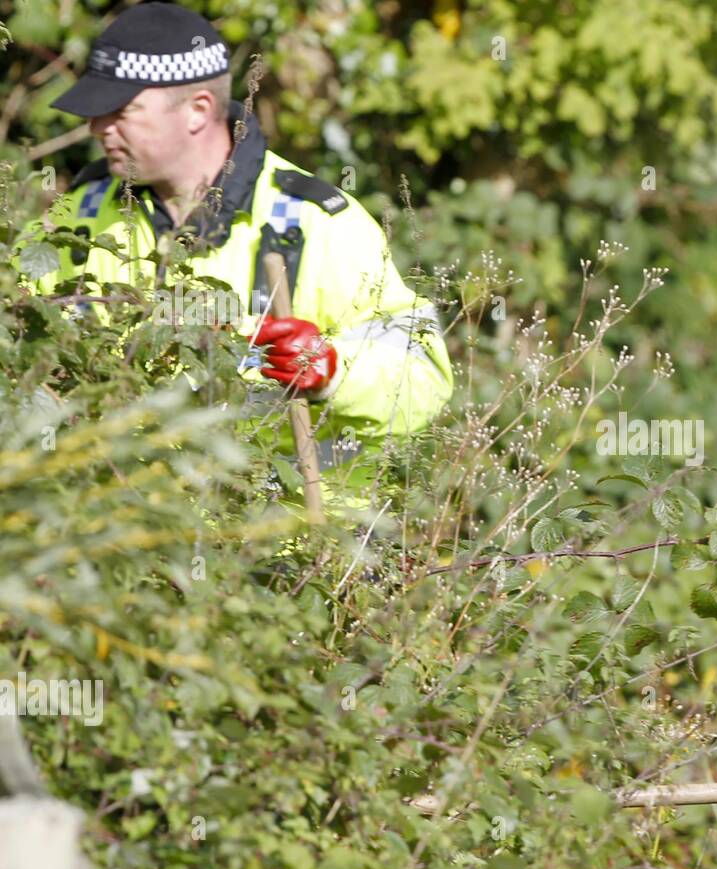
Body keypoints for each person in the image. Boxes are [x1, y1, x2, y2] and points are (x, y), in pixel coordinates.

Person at [21, 2, 453, 514]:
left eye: (123, 111)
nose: (98, 128)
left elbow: (422, 376)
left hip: (288, 556)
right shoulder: (77, 217)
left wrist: (333, 370)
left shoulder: (315, 222)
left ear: (199, 110)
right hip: (126, 547)